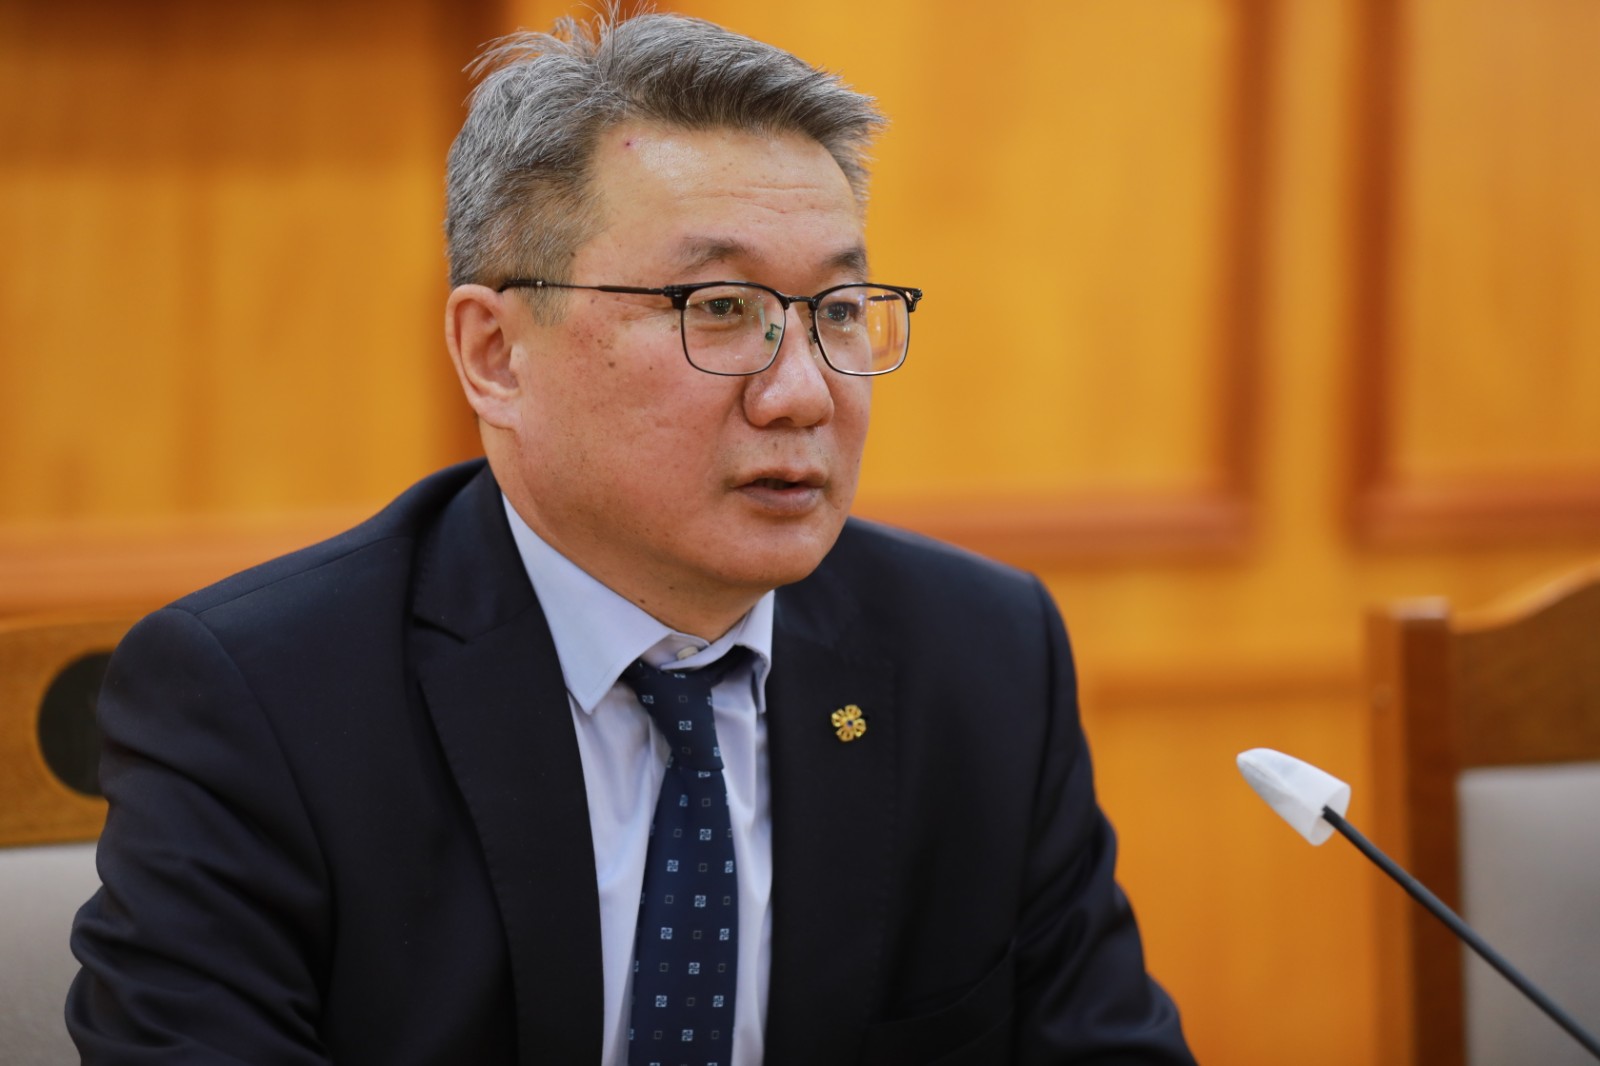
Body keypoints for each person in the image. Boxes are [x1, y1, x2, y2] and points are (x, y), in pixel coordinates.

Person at [67, 10, 1195, 1065]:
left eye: (838, 313)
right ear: (496, 354)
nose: (803, 392)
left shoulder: (980, 657)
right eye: (720, 309)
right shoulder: (263, 701)